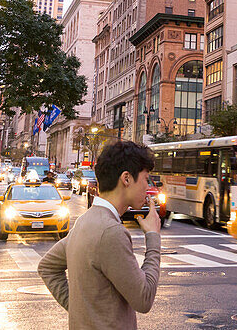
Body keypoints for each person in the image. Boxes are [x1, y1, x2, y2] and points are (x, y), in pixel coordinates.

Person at [38, 141, 162, 330]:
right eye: (146, 179)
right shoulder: (111, 231)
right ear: (126, 179)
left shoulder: (85, 221)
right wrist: (153, 236)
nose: (148, 187)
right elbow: (144, 299)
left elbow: (47, 267)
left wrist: (82, 312)